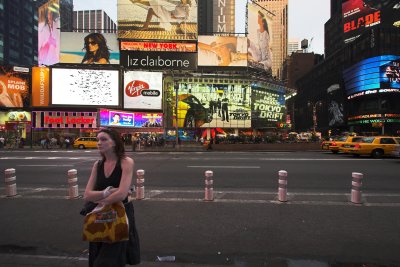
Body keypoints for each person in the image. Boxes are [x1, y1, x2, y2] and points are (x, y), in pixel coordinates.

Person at [84, 128, 140, 266]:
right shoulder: (97, 165)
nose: (99, 143)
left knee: (110, 259)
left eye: (104, 139)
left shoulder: (126, 162)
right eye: (98, 140)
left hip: (120, 215)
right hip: (99, 217)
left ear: (114, 142)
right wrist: (108, 192)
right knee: (99, 252)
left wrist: (99, 200)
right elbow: (87, 195)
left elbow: (121, 194)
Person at [38, 1, 60, 66]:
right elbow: (39, 45)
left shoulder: (56, 25)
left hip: (55, 58)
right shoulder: (42, 27)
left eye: (51, 13)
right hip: (44, 59)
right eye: (48, 13)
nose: (50, 15)